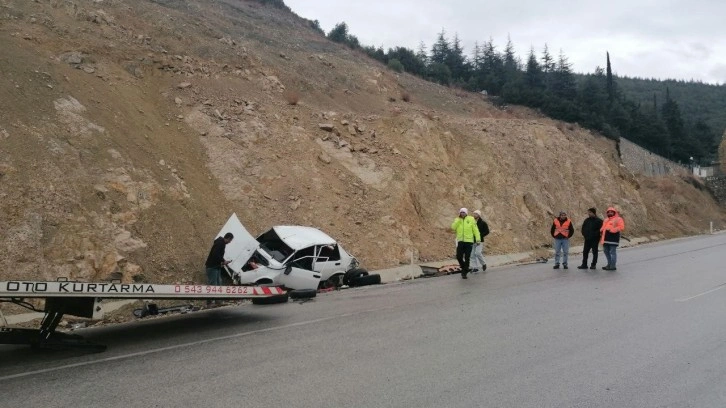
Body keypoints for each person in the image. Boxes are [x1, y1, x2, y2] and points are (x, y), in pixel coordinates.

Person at [205, 232, 234, 305]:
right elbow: (215, 255)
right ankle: (209, 302)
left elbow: (218, 255)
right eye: (230, 240)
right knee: (213, 285)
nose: (230, 242)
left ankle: (218, 301)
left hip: (216, 267)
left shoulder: (221, 243)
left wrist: (223, 261)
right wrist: (223, 261)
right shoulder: (220, 243)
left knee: (218, 284)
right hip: (212, 267)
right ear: (228, 238)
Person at [451, 208, 481, 279]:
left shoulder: (471, 219)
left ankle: (464, 273)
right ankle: (465, 267)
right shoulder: (457, 219)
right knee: (458, 256)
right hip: (460, 241)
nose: (462, 214)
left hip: (469, 241)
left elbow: (475, 230)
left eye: (464, 212)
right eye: (461, 212)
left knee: (467, 257)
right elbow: (453, 227)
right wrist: (458, 221)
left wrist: (478, 239)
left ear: (466, 213)